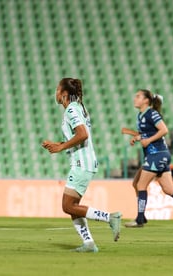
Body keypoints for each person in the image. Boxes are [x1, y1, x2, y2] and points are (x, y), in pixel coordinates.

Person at [42, 78, 121, 253]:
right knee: (73, 208)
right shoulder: (79, 108)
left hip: (81, 164)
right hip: (84, 162)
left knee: (67, 205)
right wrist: (59, 144)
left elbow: (83, 134)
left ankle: (110, 217)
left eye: (57, 89)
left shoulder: (71, 109)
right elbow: (78, 136)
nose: (55, 93)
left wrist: (61, 147)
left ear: (63, 94)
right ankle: (89, 243)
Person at [124, 89, 173, 228]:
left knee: (140, 185)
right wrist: (137, 138)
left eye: (138, 96)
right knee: (168, 189)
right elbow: (148, 133)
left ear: (146, 100)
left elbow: (164, 130)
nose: (135, 99)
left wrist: (148, 141)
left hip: (156, 155)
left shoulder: (152, 113)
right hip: (158, 155)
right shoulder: (141, 115)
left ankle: (140, 219)